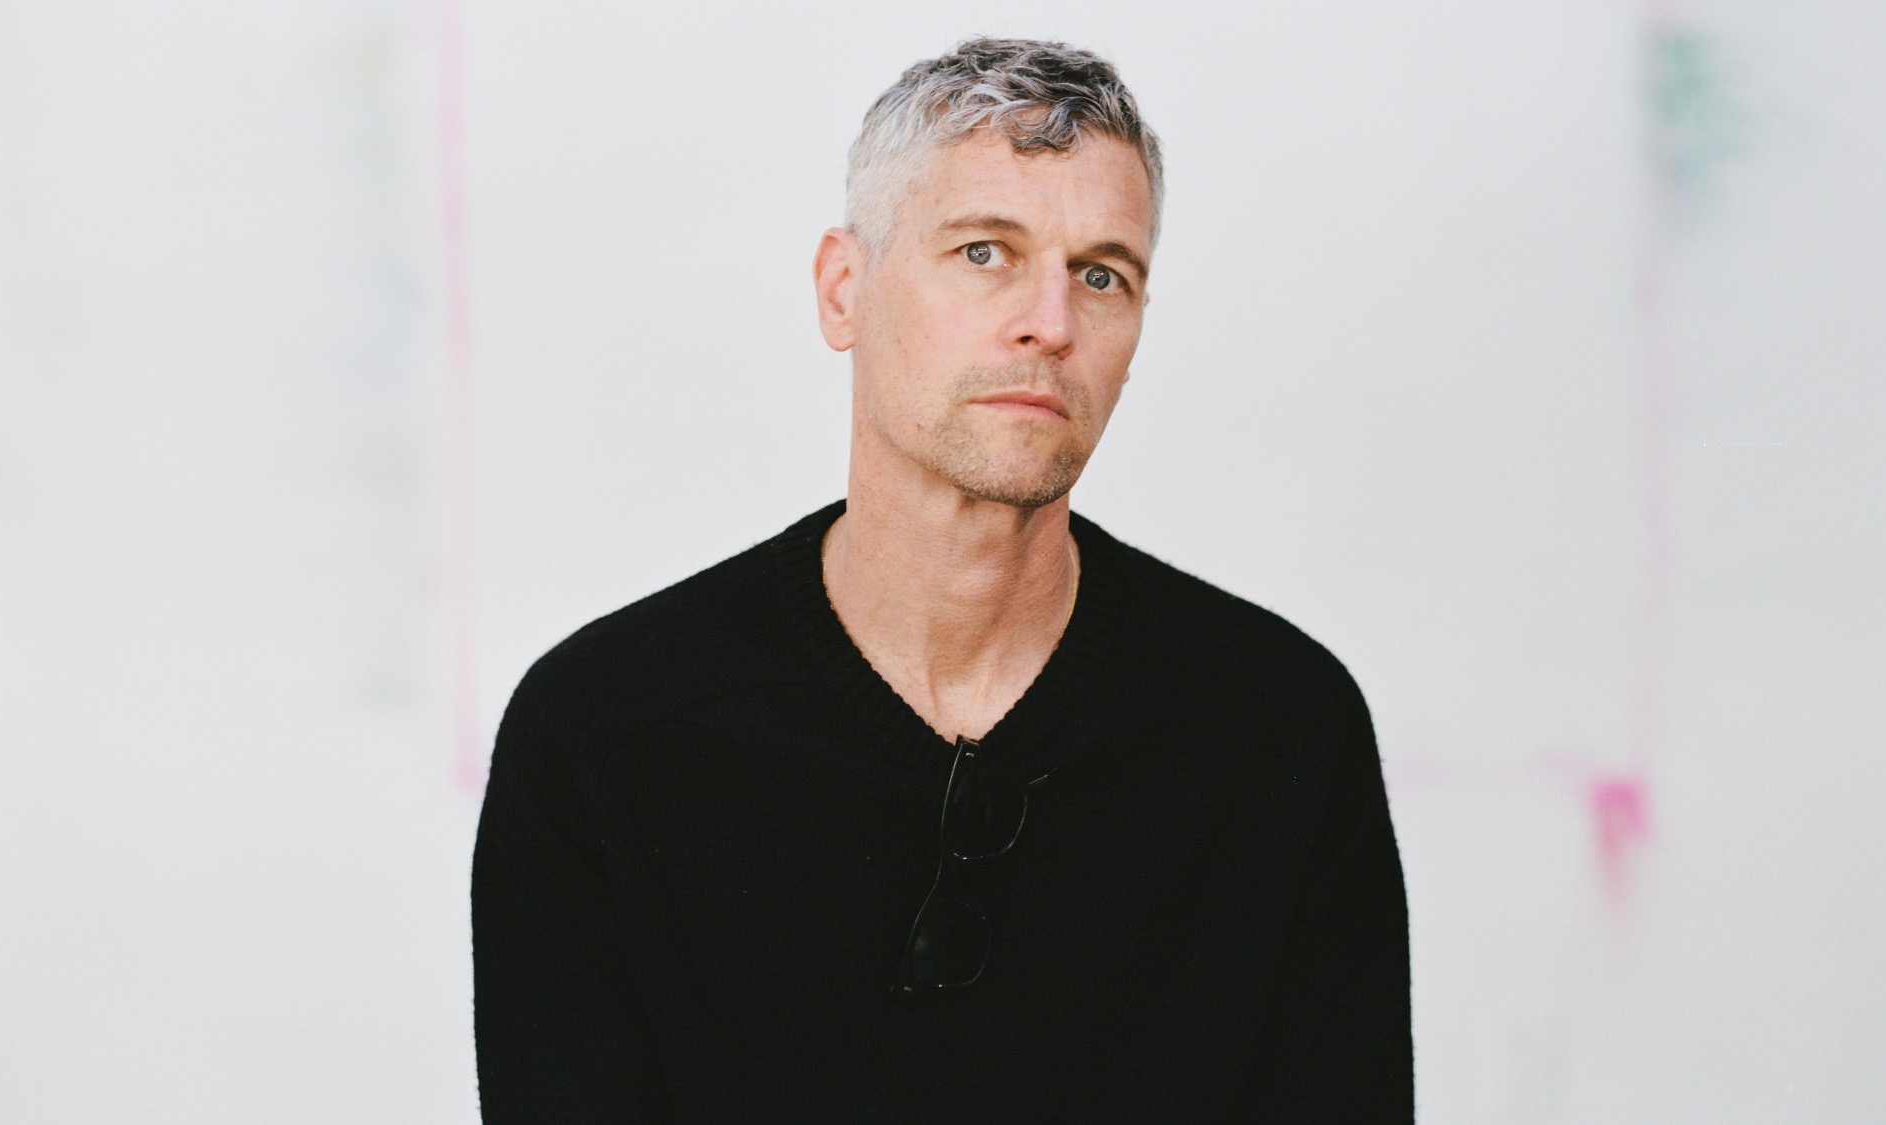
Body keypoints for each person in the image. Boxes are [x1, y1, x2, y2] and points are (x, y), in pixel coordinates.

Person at [472, 37, 1413, 1122]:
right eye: (983, 252)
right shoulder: (605, 732)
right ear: (842, 290)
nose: (1049, 325)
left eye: (1100, 273)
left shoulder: (1278, 730)